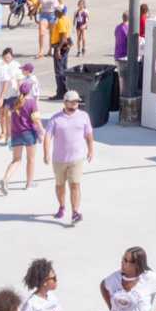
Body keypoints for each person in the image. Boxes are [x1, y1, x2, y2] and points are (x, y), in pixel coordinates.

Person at [47, 90, 95, 223]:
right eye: (72, 102)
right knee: (60, 185)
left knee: (75, 184)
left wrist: (91, 150)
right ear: (65, 102)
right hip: (59, 159)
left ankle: (75, 212)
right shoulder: (55, 119)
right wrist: (46, 153)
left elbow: (89, 135)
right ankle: (62, 206)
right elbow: (47, 137)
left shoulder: (84, 116)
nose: (75, 105)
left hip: (76, 159)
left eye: (76, 102)